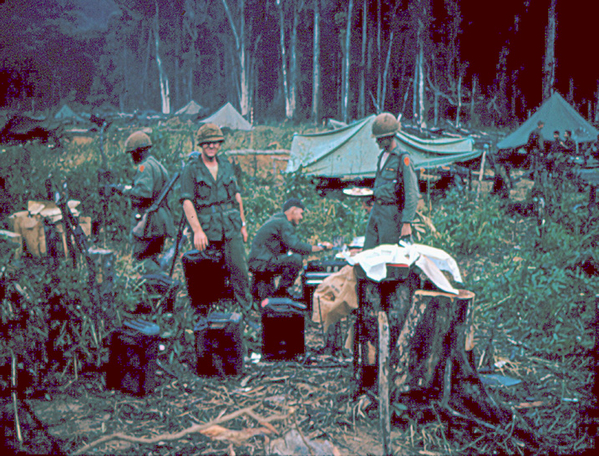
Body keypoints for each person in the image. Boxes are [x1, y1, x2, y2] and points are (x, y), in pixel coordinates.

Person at [180, 123, 252, 309]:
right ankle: (209, 314)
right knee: (207, 272)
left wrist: (243, 225)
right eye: (207, 143)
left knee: (239, 270)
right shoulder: (192, 169)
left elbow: (237, 197)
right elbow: (187, 201)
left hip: (230, 226)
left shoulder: (226, 165)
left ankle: (244, 310)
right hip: (207, 228)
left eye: (215, 143)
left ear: (220, 144)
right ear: (201, 145)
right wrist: (197, 231)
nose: (211, 146)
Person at [248, 198, 333, 301]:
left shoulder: (277, 220)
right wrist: (321, 248)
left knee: (262, 295)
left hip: (259, 262)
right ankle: (282, 293)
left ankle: (276, 294)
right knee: (296, 259)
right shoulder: (284, 223)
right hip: (263, 263)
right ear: (293, 210)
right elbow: (296, 246)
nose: (301, 217)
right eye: (301, 213)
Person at [113, 131, 175, 267]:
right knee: (152, 257)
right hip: (159, 221)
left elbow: (144, 193)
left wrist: (123, 190)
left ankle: (162, 284)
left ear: (138, 151)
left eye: (132, 153)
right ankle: (160, 284)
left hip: (149, 223)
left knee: (142, 261)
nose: (131, 157)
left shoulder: (144, 166)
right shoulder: (157, 165)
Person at [364, 113, 419, 250]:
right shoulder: (382, 157)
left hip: (392, 216)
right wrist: (370, 197)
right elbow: (382, 184)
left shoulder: (402, 158)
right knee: (369, 253)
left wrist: (406, 223)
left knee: (388, 255)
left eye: (380, 139)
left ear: (389, 137)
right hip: (376, 212)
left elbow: (412, 193)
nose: (377, 142)